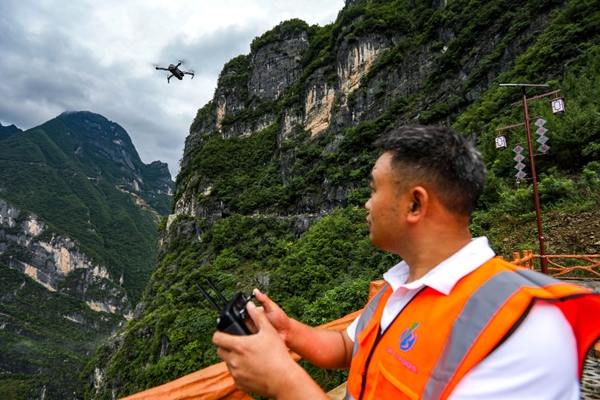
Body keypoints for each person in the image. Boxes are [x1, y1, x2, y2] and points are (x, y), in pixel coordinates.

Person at [213, 125, 600, 400]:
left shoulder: (525, 328)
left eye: (373, 189)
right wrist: (290, 332)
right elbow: (349, 349)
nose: (366, 203)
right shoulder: (396, 290)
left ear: (415, 203)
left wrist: (284, 383)